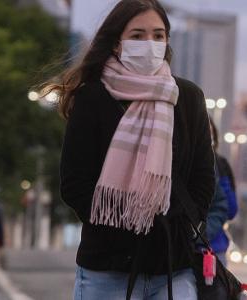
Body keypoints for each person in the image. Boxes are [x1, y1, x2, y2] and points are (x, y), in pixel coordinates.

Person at [51, 0, 215, 299]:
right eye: (137, 36)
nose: (149, 44)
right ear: (116, 43)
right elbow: (74, 183)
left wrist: (172, 225)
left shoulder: (188, 97)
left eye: (158, 35)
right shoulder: (93, 98)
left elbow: (204, 178)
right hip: (107, 268)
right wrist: (122, 223)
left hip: (172, 268)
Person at [206, 121, 239, 266]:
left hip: (209, 250)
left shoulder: (220, 164)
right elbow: (230, 209)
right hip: (214, 249)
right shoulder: (220, 163)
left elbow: (230, 209)